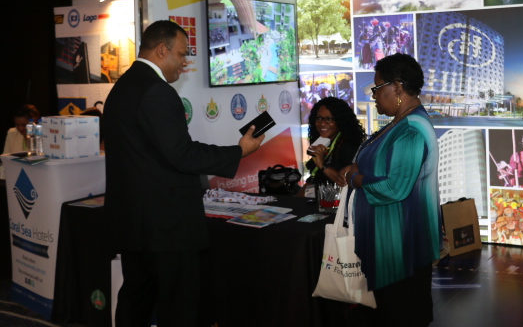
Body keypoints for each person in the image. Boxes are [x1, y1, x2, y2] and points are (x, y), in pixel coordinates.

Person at [103, 20, 264, 327]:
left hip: (133, 220)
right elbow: (183, 155)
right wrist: (238, 151)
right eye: (181, 53)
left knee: (136, 299)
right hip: (166, 224)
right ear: (161, 50)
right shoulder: (156, 91)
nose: (185, 61)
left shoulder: (123, 87)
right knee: (178, 306)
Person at [339, 53, 442, 327]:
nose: (373, 95)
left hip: (401, 246)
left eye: (377, 88)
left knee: (401, 313)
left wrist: (356, 179)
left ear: (396, 87)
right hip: (391, 241)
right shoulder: (400, 121)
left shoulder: (411, 129)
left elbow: (395, 187)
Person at [304, 96, 365, 187]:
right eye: (319, 118)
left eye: (329, 119)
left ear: (340, 121)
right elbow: (314, 178)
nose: (322, 123)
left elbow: (346, 182)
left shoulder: (348, 146)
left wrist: (323, 165)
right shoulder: (323, 141)